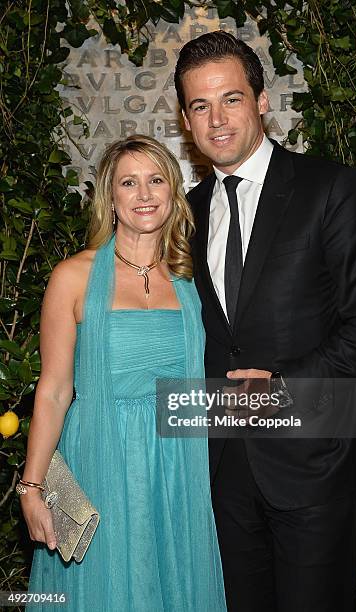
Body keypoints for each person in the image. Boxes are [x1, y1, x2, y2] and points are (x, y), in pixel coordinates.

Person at [174, 31, 356, 612]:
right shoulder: (187, 212)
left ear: (262, 101)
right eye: (200, 105)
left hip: (312, 463)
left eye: (230, 98)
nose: (217, 119)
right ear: (184, 118)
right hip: (222, 470)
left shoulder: (329, 188)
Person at [18, 135, 227, 612]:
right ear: (110, 198)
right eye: (128, 183)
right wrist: (31, 487)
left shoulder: (194, 278)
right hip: (101, 458)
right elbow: (53, 390)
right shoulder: (73, 276)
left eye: (155, 180)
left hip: (179, 464)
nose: (144, 194)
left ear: (173, 192)